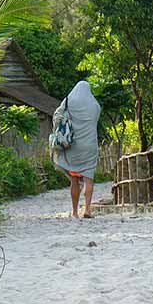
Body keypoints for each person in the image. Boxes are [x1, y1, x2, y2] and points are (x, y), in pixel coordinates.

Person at [53, 80, 101, 218]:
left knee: (74, 180)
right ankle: (87, 209)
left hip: (73, 145)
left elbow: (57, 116)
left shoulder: (69, 101)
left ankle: (74, 211)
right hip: (90, 145)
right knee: (88, 178)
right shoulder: (95, 105)